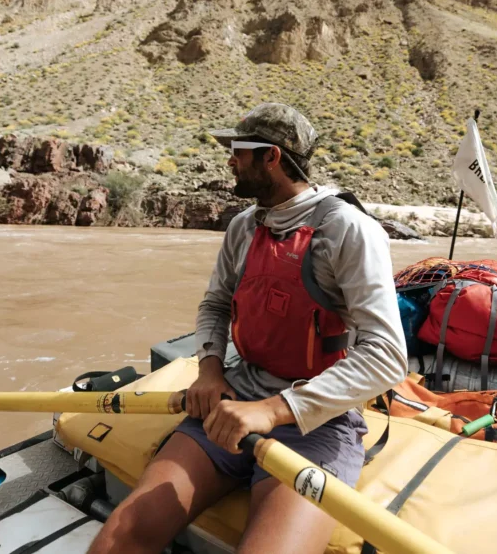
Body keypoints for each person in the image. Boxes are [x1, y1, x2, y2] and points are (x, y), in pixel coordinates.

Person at [88, 103, 408, 554]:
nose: (229, 161)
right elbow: (215, 305)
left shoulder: (349, 230)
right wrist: (211, 372)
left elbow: (387, 356)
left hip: (317, 421)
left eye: (238, 152)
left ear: (271, 157)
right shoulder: (243, 227)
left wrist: (275, 410)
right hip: (234, 399)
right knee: (121, 539)